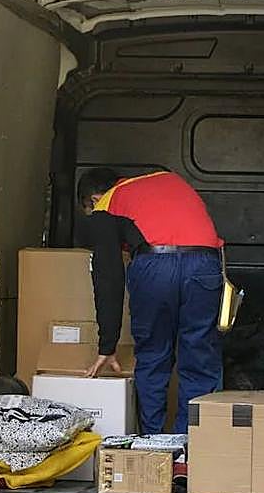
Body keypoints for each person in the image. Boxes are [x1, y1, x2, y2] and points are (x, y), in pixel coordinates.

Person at [76, 168, 223, 435]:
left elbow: (108, 276)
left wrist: (107, 346)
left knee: (154, 354)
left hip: (156, 266)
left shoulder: (109, 203)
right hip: (206, 263)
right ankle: (190, 447)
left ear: (93, 200)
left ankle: (153, 442)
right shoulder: (169, 179)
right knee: (199, 355)